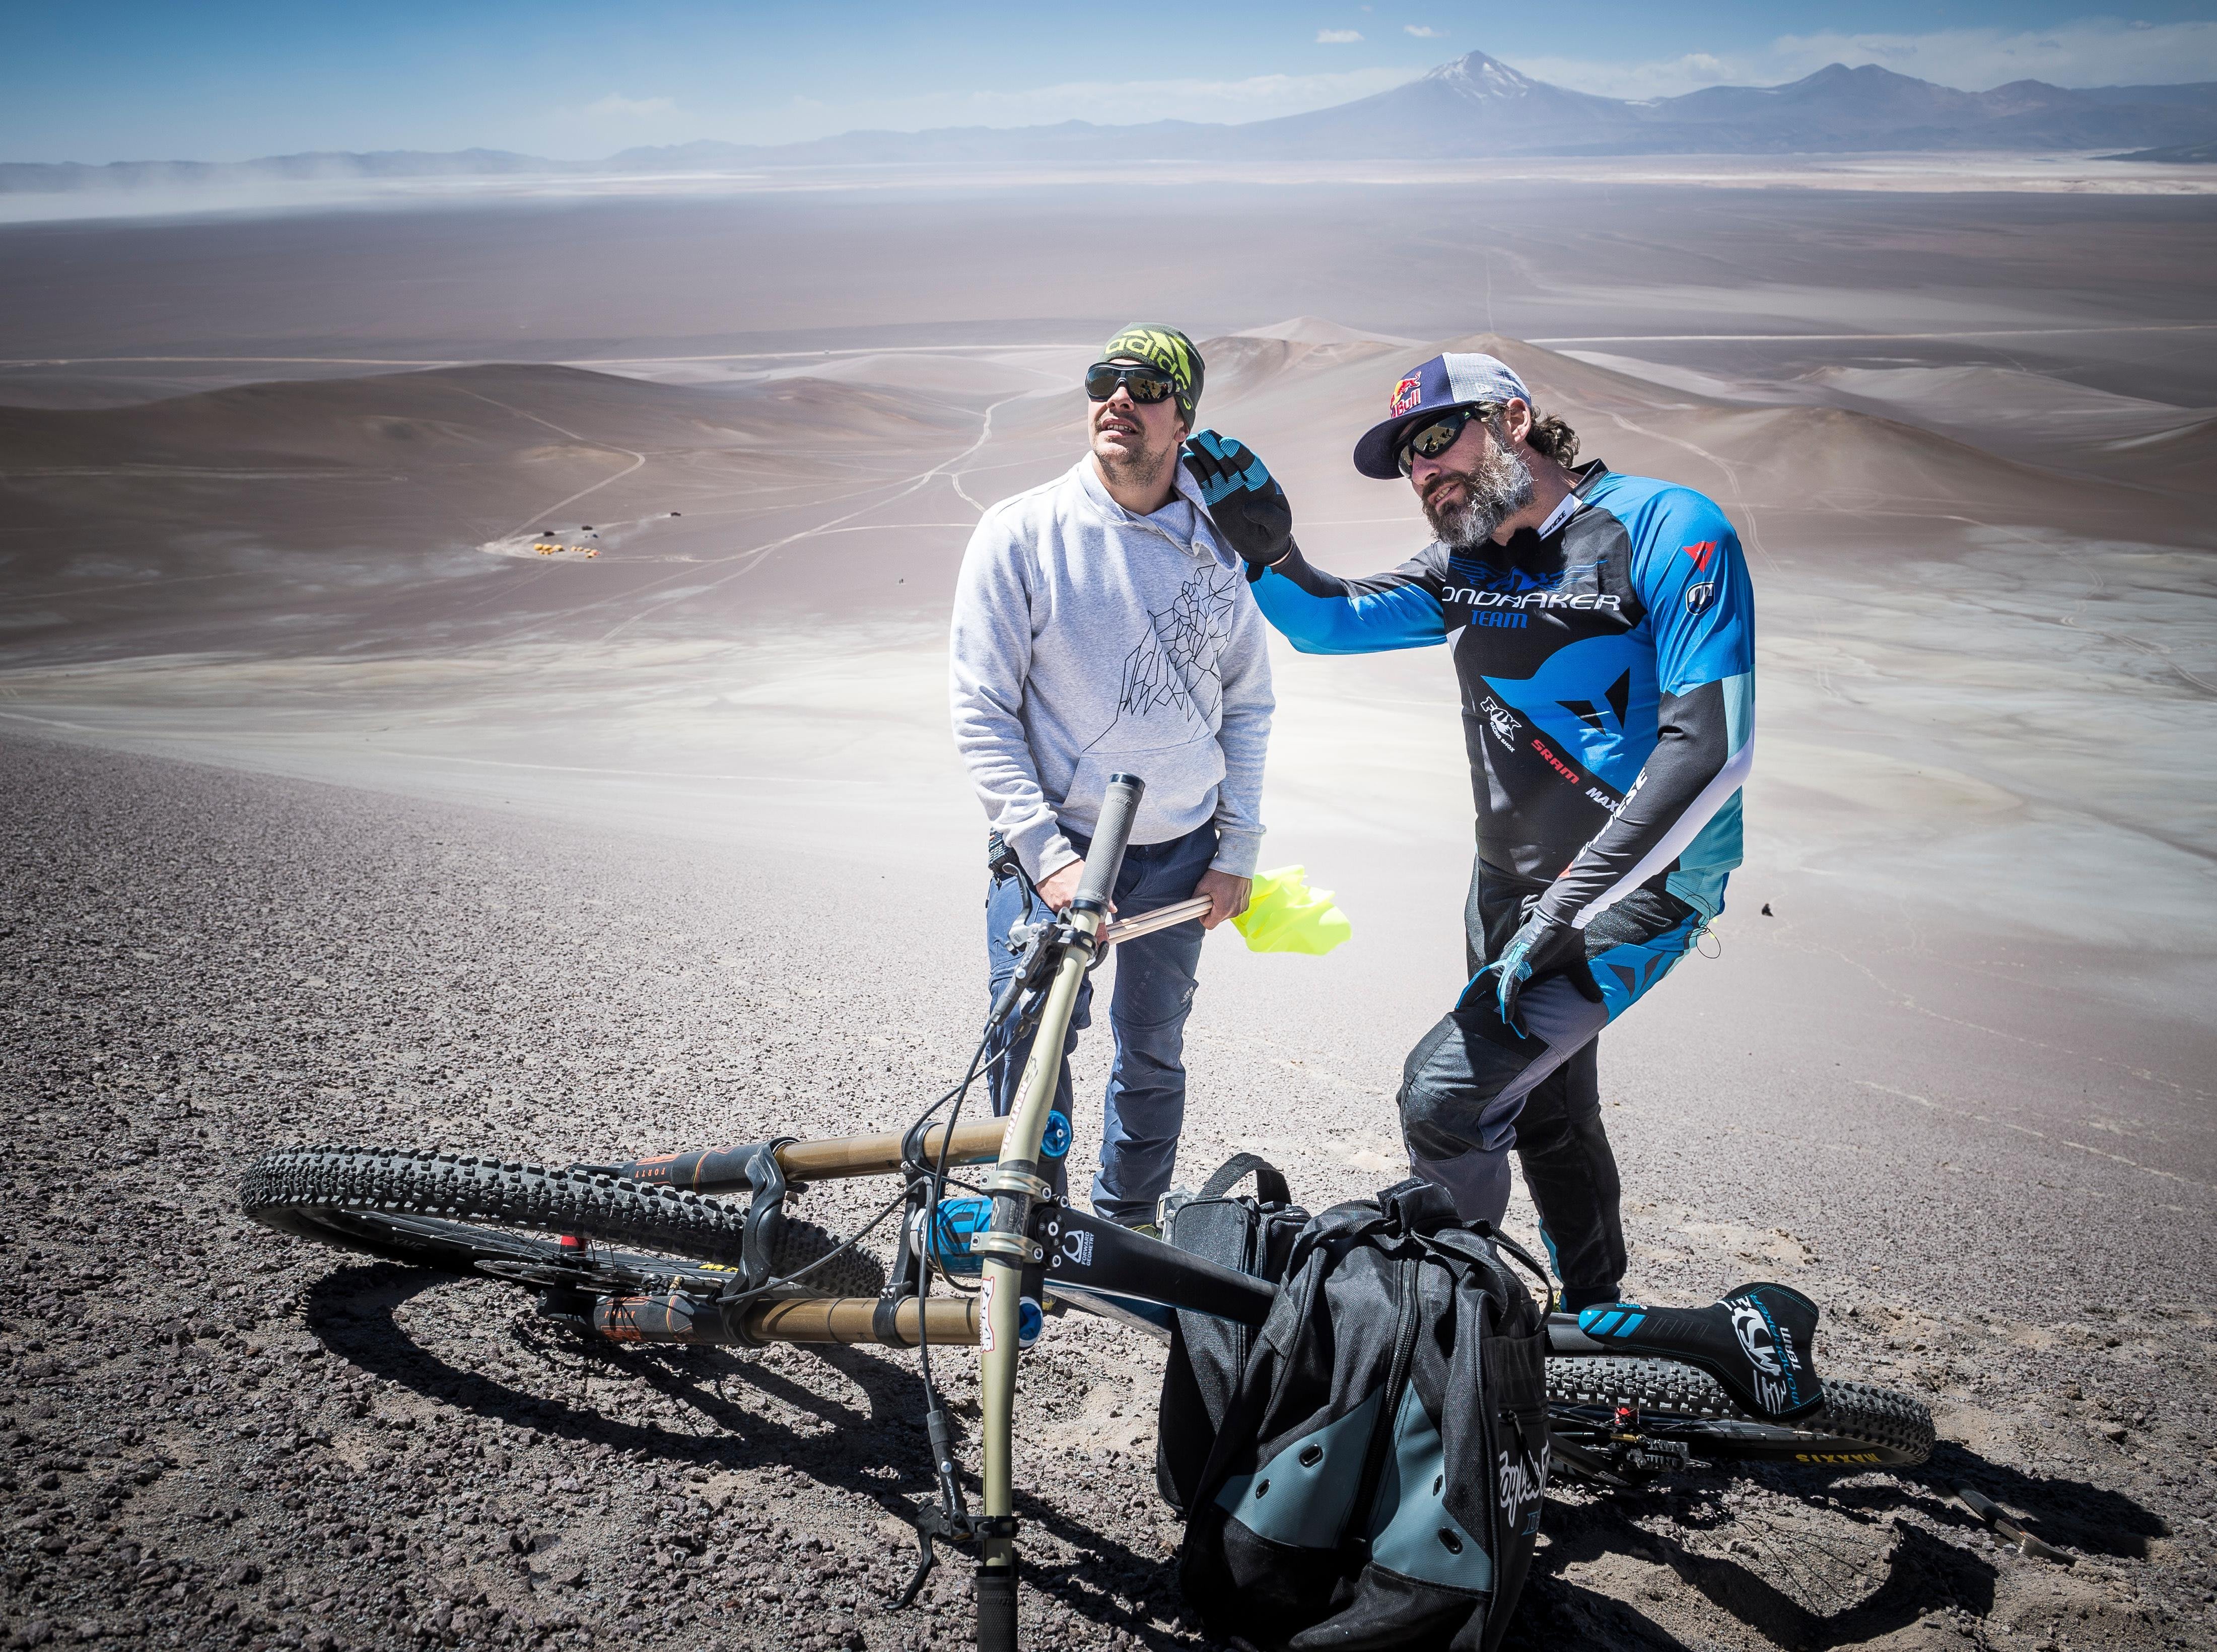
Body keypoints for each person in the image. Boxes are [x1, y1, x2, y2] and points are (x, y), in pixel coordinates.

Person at [1191, 351, 1754, 1311]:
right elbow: (1330, 622)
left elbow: (1713, 750)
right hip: (1503, 887)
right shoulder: (1464, 568)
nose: (1422, 469)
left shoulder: (1668, 526)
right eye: (1406, 459)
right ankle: (1592, 1315)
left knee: (1446, 1098)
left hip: (1639, 890)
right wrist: (1270, 556)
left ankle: (1463, 1323)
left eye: (1437, 438)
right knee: (1539, 1102)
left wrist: (1569, 905)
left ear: (1513, 420)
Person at [948, 324, 1274, 1232]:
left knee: (1153, 1052)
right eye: (1104, 380)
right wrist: (1047, 858)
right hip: (1057, 848)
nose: (1119, 398)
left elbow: (1247, 705)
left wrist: (1236, 849)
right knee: (1027, 1044)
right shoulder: (1021, 533)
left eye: (1148, 385)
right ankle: (1031, 1231)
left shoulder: (1223, 546)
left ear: (1184, 419)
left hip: (1181, 851)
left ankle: (1125, 1230)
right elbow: (981, 712)